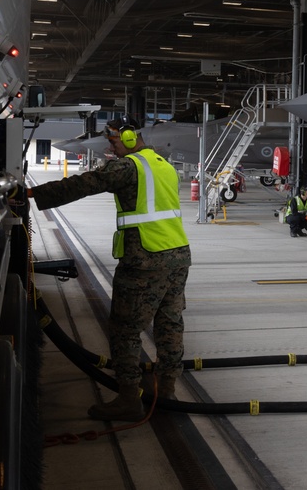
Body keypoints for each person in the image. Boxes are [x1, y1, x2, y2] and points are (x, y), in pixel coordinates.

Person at [27, 116, 191, 421]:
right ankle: (166, 391)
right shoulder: (162, 164)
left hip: (145, 258)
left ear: (129, 138)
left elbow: (86, 183)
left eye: (113, 140)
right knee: (170, 325)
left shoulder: (129, 166)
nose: (110, 146)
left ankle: (129, 398)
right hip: (178, 256)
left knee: (124, 329)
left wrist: (33, 193)